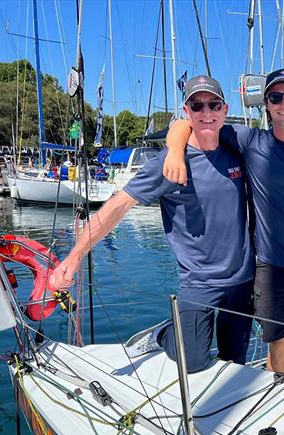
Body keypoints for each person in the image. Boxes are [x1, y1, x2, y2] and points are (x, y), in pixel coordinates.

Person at [50, 75, 255, 372]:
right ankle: (163, 334)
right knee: (194, 363)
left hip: (241, 278)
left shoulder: (236, 146)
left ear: (225, 109)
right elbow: (117, 206)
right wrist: (75, 255)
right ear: (187, 111)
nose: (206, 112)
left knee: (234, 364)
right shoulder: (169, 163)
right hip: (199, 282)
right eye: (197, 106)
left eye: (213, 104)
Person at [163, 69, 284, 386]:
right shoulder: (250, 141)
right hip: (269, 266)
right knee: (277, 343)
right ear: (266, 104)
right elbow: (188, 123)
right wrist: (174, 151)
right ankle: (278, 399)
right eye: (276, 98)